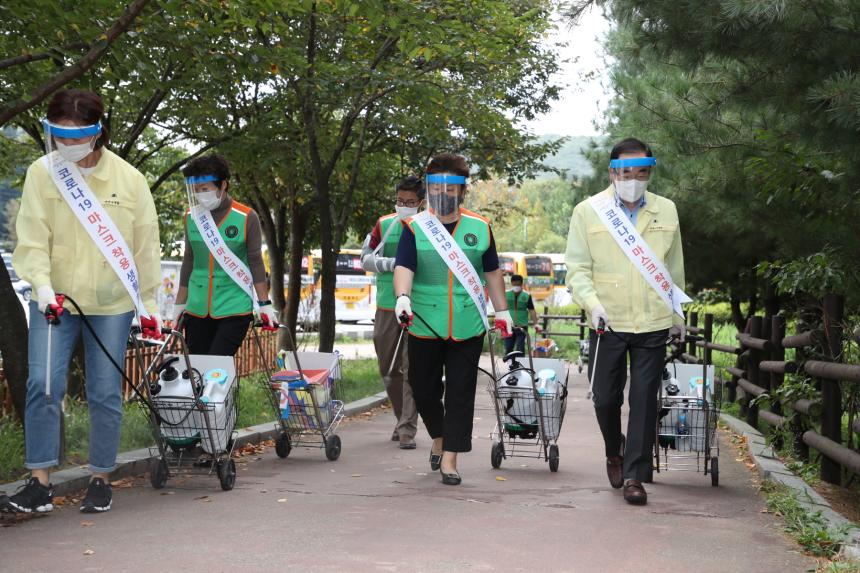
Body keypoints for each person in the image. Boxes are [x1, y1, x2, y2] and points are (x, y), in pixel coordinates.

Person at [6, 89, 162, 514]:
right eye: (59, 136)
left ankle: (100, 477)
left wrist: (148, 303)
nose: (68, 146)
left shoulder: (129, 181)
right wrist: (39, 286)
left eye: (77, 138)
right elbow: (32, 235)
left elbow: (146, 245)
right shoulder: (43, 172)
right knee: (42, 384)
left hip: (112, 303)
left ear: (98, 133)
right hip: (54, 299)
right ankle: (39, 482)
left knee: (105, 391)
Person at [565, 137, 687, 505]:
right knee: (604, 398)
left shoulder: (666, 210)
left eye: (641, 172)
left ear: (649, 172)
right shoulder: (589, 211)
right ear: (612, 172)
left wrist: (677, 311)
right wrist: (592, 304)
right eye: (626, 172)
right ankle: (613, 449)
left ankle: (635, 475)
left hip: (651, 320)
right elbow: (577, 269)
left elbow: (674, 266)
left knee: (644, 400)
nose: (633, 178)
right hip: (607, 320)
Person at [393, 153, 513, 486]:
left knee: (461, 391)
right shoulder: (415, 227)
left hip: (467, 321)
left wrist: (501, 311)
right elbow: (405, 266)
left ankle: (450, 458)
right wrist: (402, 297)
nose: (443, 194)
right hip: (423, 321)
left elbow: (491, 271)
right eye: (436, 187)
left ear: (462, 191)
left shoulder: (479, 227)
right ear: (429, 189)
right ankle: (440, 435)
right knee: (423, 387)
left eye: (450, 188)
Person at [172, 154, 276, 356]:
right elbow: (189, 260)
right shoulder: (191, 217)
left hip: (234, 306)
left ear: (223, 185)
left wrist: (265, 304)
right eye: (196, 190)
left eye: (205, 189)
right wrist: (179, 304)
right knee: (198, 369)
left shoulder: (246, 217)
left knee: (217, 366)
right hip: (197, 307)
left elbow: (255, 262)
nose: (200, 195)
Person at [360, 176, 422, 449]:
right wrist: (397, 264)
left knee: (413, 369)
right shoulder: (384, 224)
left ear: (421, 203)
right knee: (388, 368)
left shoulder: (429, 226)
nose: (404, 206)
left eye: (410, 203)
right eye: (400, 201)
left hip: (419, 307)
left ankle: (408, 427)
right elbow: (366, 258)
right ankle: (401, 418)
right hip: (387, 305)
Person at [503, 274, 539, 355]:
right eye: (515, 284)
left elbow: (532, 310)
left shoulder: (526, 296)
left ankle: (520, 365)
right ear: (511, 283)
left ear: (521, 284)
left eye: (518, 284)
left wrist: (536, 323)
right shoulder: (506, 294)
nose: (516, 286)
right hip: (508, 325)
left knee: (520, 347)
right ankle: (510, 365)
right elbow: (501, 308)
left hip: (522, 326)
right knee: (508, 347)